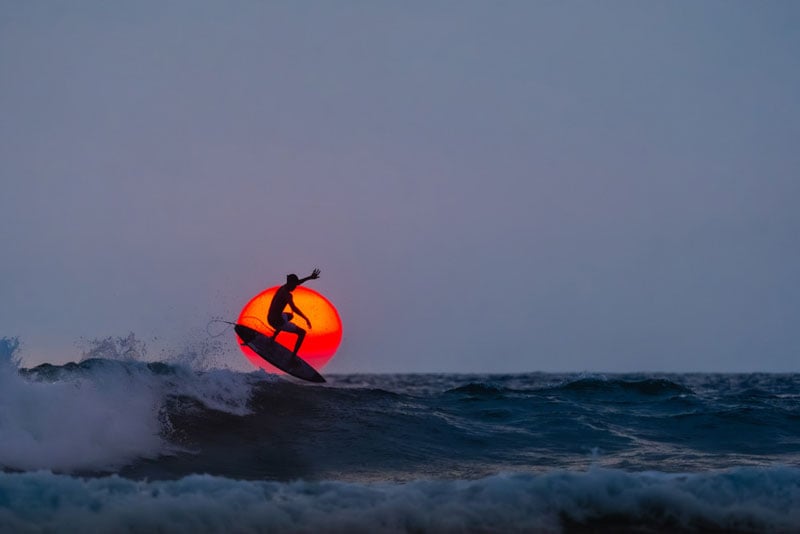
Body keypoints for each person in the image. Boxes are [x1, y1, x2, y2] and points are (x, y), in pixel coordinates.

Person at [266, 268, 320, 355]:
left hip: (269, 318)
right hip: (277, 322)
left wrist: (310, 277)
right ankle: (293, 357)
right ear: (290, 283)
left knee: (290, 316)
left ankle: (273, 338)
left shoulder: (283, 287)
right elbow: (294, 308)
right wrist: (306, 318)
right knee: (302, 333)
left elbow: (298, 282)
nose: (296, 287)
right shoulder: (287, 295)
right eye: (294, 285)